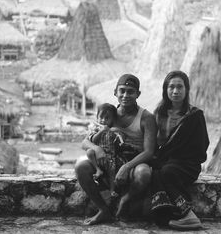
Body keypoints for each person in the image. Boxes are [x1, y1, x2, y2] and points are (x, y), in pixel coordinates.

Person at [75, 74, 157, 225]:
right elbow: (85, 141)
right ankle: (103, 210)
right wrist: (97, 149)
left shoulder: (146, 118)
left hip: (134, 163)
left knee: (144, 173)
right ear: (115, 92)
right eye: (122, 91)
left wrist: (127, 167)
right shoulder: (109, 115)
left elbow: (149, 152)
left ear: (138, 94)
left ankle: (125, 201)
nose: (126, 95)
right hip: (109, 162)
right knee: (81, 166)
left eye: (130, 91)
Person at [150, 70, 209, 230]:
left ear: (186, 89)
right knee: (155, 173)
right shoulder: (158, 114)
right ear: (165, 90)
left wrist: (176, 155)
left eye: (179, 87)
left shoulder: (195, 116)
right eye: (171, 87)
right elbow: (154, 144)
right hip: (165, 162)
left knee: (167, 172)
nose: (175, 91)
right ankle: (167, 218)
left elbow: (202, 146)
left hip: (188, 164)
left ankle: (188, 215)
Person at [86, 103, 125, 198]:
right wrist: (101, 131)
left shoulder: (113, 130)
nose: (103, 121)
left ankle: (112, 190)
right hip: (97, 155)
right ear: (97, 117)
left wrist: (117, 132)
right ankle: (98, 170)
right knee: (89, 152)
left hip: (110, 157)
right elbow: (93, 140)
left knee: (112, 174)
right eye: (101, 117)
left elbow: (121, 140)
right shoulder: (95, 129)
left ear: (112, 120)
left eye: (107, 118)